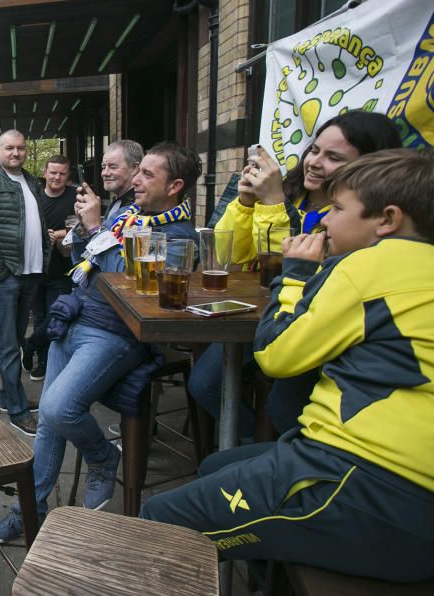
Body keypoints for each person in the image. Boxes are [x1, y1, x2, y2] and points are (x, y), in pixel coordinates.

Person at [141, 149, 434, 583]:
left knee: (154, 521)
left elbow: (277, 356)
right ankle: (262, 578)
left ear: (387, 219)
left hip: (365, 483)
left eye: (337, 209)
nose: (324, 222)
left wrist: (296, 274)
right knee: (216, 466)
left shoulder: (366, 266)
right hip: (400, 489)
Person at [0, 142, 200, 543]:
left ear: (175, 186)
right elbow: (88, 260)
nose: (136, 180)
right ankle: (31, 510)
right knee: (48, 431)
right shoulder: (130, 215)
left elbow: (123, 282)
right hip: (77, 320)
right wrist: (87, 234)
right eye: (138, 171)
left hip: (115, 334)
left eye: (147, 174)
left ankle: (104, 458)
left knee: (56, 409)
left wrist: (94, 229)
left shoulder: (177, 233)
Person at [188, 111, 402, 437]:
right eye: (314, 150)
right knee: (204, 384)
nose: (315, 162)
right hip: (257, 315)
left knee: (282, 404)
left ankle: (271, 454)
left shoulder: (358, 219)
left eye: (333, 157)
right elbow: (227, 255)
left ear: (367, 165)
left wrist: (273, 202)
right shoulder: (290, 190)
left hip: (307, 322)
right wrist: (245, 203)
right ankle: (252, 448)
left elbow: (297, 264)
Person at [0, 129, 50, 436]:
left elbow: (38, 225)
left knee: (15, 339)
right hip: (6, 277)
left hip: (31, 273)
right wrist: (0, 271)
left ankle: (8, 395)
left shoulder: (32, 182)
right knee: (7, 345)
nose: (16, 153)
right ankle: (17, 409)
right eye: (9, 149)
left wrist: (43, 257)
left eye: (20, 148)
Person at [22, 155, 77, 381]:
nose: (57, 177)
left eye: (62, 173)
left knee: (56, 318)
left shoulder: (75, 197)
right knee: (40, 316)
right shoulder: (34, 198)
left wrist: (62, 234)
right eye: (53, 172)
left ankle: (30, 344)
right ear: (45, 173)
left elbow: (86, 226)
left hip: (62, 269)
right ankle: (43, 361)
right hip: (35, 270)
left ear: (67, 176)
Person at [99, 140, 143, 225]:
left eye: (113, 167)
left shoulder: (139, 207)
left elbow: (108, 238)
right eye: (103, 167)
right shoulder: (118, 200)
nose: (105, 173)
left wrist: (93, 226)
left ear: (134, 168)